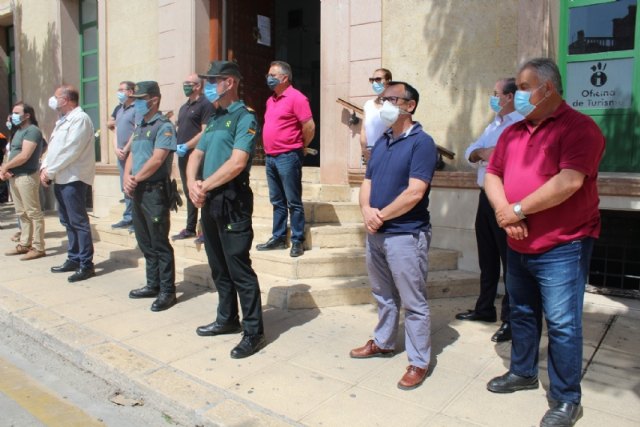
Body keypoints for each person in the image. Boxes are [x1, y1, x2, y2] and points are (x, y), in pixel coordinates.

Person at [484, 58, 605, 427]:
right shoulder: (513, 132)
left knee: (563, 323)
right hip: (518, 241)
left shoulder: (580, 129)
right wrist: (506, 212)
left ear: (547, 89)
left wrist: (517, 209)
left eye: (522, 87)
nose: (516, 94)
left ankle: (567, 397)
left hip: (562, 246)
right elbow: (493, 174)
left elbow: (569, 182)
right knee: (521, 312)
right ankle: (522, 372)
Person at [350, 81, 438, 390]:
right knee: (383, 295)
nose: (383, 104)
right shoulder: (382, 141)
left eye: (390, 99)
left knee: (413, 302)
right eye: (382, 99)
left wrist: (380, 215)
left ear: (410, 105)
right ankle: (384, 341)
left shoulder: (422, 143)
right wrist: (366, 212)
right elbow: (367, 182)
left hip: (405, 235)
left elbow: (415, 192)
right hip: (376, 232)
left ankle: (418, 361)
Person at [187, 60, 265, 359]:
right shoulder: (216, 118)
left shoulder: (244, 117)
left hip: (232, 201)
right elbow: (197, 153)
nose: (208, 85)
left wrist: (203, 186)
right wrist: (193, 183)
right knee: (218, 266)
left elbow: (237, 162)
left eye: (213, 80)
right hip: (208, 200)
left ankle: (254, 331)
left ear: (229, 82)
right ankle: (227, 319)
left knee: (238, 267)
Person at [455, 78, 523, 342]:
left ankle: (511, 319)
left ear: (509, 96)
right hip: (484, 196)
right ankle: (485, 308)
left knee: (510, 261)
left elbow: (507, 157)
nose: (492, 98)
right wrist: (483, 152)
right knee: (488, 257)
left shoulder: (518, 124)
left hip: (505, 197)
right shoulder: (494, 123)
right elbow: (470, 152)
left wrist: (484, 154)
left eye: (495, 94)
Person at [123, 81, 178, 312]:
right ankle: (152, 284)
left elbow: (157, 159)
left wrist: (135, 179)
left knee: (159, 241)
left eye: (140, 99)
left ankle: (167, 291)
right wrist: (127, 176)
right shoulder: (140, 126)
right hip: (138, 191)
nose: (135, 103)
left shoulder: (163, 126)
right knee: (144, 240)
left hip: (154, 191)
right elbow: (132, 155)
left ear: (153, 100)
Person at [255, 60, 315, 257]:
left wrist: (301, 146)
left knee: (293, 200)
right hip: (271, 157)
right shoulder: (270, 100)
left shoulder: (297, 98)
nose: (268, 78)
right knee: (277, 200)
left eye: (273, 75)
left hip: (289, 155)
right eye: (268, 75)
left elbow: (309, 126)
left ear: (284, 77)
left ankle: (297, 239)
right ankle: (278, 237)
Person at [41, 85, 96, 283]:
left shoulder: (80, 119)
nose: (53, 100)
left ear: (66, 100)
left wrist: (51, 171)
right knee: (67, 221)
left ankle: (86, 264)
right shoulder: (62, 121)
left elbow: (71, 150)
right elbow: (54, 147)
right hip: (60, 177)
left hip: (74, 178)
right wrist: (45, 168)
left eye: (56, 97)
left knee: (78, 222)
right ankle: (73, 258)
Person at [172, 73, 215, 244]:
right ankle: (190, 227)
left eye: (188, 83)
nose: (185, 86)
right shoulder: (184, 107)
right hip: (183, 156)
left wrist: (187, 145)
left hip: (198, 155)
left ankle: (205, 229)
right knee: (190, 190)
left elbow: (205, 131)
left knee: (201, 191)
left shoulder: (205, 104)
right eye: (184, 83)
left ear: (198, 86)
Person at [1, 102, 46, 260]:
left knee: (34, 213)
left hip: (26, 176)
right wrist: (5, 170)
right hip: (14, 177)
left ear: (27, 115)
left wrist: (5, 166)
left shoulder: (32, 131)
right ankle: (24, 244)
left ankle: (38, 247)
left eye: (16, 112)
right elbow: (12, 153)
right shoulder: (18, 131)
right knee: (22, 213)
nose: (13, 115)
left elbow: (24, 155)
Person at [110, 81, 137, 231]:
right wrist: (116, 148)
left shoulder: (136, 108)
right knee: (124, 186)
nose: (119, 92)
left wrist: (126, 148)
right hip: (120, 153)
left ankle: (136, 220)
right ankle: (128, 217)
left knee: (132, 184)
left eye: (122, 90)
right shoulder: (120, 109)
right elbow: (116, 129)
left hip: (131, 153)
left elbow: (137, 130)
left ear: (131, 92)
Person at [360, 68, 392, 162]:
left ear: (388, 82)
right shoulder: (368, 104)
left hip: (387, 155)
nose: (374, 83)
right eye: (372, 80)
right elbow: (363, 129)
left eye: (378, 79)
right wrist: (363, 149)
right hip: (369, 155)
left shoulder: (394, 105)